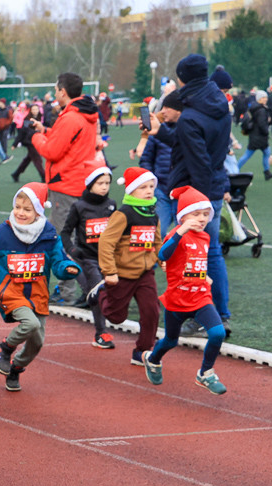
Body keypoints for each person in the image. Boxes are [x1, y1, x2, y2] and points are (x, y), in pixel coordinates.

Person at [0, 182, 81, 391]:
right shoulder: (1, 233)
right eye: (17, 207)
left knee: (37, 342)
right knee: (30, 324)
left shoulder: (48, 234)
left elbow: (59, 262)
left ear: (38, 211)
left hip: (37, 293)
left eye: (27, 209)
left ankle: (16, 368)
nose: (20, 213)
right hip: (10, 291)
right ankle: (4, 348)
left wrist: (68, 268)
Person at [146, 54, 232, 330]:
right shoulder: (219, 104)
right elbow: (197, 149)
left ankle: (199, 315)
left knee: (194, 254)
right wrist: (161, 132)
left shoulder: (191, 115)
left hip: (196, 193)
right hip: (215, 186)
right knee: (213, 252)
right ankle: (222, 312)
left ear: (182, 77)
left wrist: (198, 207)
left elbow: (198, 161)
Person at [142, 186, 227, 395]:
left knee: (217, 333)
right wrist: (181, 230)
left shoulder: (205, 237)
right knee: (171, 340)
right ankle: (153, 360)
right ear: (183, 215)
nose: (202, 219)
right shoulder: (176, 234)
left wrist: (204, 276)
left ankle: (205, 373)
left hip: (200, 297)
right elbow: (163, 254)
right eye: (196, 214)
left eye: (206, 214)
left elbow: (194, 261)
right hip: (177, 299)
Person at [29, 72, 99, 305]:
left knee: (61, 240)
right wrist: (46, 131)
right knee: (77, 240)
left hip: (66, 184)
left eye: (57, 90)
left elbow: (52, 151)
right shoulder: (85, 114)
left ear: (63, 91)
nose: (56, 93)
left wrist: (36, 138)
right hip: (79, 182)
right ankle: (87, 290)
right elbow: (68, 142)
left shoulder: (70, 117)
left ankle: (67, 292)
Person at [87, 167, 161, 364]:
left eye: (151, 186)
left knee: (151, 311)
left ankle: (142, 351)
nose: (148, 191)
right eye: (142, 187)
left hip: (145, 274)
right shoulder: (124, 214)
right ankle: (101, 292)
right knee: (116, 317)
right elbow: (106, 242)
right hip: (121, 274)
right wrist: (109, 272)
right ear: (131, 190)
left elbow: (157, 242)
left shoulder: (153, 213)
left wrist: (162, 260)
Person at [61, 163, 119, 349]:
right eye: (100, 183)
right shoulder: (79, 206)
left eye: (107, 183)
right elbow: (65, 233)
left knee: (99, 293)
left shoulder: (111, 205)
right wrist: (72, 250)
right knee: (97, 291)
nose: (104, 187)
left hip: (107, 258)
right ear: (90, 184)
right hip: (86, 257)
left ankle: (86, 293)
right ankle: (100, 333)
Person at [140, 91, 180, 236]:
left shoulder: (188, 131)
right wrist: (151, 182)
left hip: (181, 191)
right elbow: (146, 159)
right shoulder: (157, 132)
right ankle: (156, 259)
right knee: (159, 232)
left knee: (182, 235)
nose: (162, 111)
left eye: (166, 108)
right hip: (162, 189)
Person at [238, 90, 272, 180]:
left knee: (266, 152)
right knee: (248, 155)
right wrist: (266, 131)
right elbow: (262, 124)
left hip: (255, 136)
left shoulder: (255, 107)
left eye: (266, 97)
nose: (265, 99)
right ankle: (234, 170)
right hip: (259, 137)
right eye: (263, 98)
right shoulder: (261, 110)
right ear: (259, 99)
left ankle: (267, 172)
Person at [11, 103, 46, 183]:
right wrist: (15, 144)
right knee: (37, 159)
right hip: (30, 142)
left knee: (28, 159)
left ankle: (16, 174)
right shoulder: (27, 120)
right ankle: (43, 176)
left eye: (36, 109)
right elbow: (22, 133)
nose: (35, 111)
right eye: (33, 109)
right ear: (30, 110)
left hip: (37, 141)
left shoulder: (39, 118)